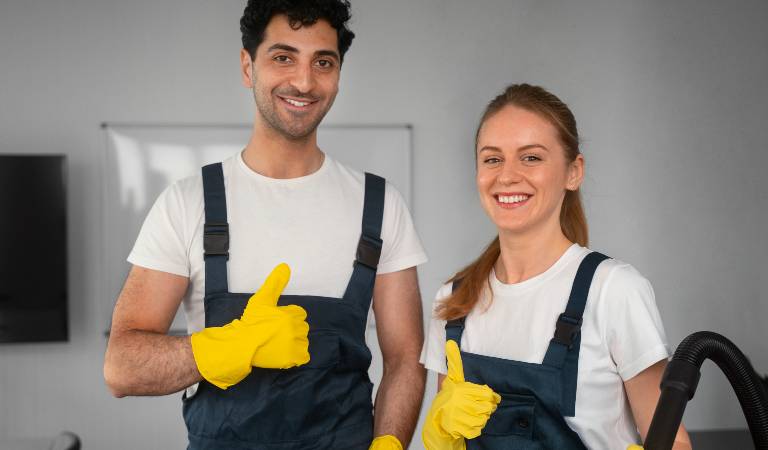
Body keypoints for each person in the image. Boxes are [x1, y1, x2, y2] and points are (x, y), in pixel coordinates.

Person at [103, 1, 427, 449]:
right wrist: (228, 347)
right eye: (283, 57)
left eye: (323, 62)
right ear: (247, 66)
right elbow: (122, 367)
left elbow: (406, 359)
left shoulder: (381, 205)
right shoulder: (187, 202)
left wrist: (389, 443)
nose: (304, 81)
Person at [419, 84, 693, 449]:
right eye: (492, 158)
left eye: (531, 157)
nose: (507, 175)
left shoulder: (613, 291)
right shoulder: (455, 302)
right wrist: (439, 433)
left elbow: (671, 442)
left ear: (573, 172)